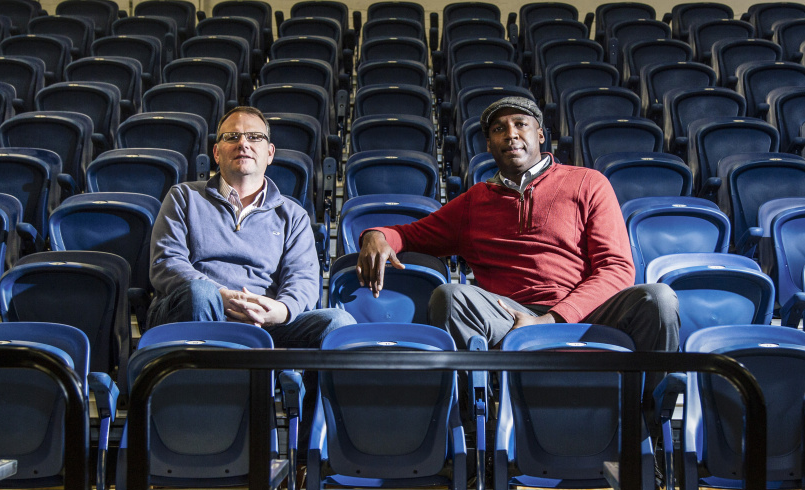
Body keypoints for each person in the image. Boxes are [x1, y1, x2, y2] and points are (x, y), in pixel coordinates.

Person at [356, 96, 679, 356]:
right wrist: (376, 235)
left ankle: (648, 408)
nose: (510, 134)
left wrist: (550, 319)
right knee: (451, 294)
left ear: (539, 135)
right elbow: (410, 234)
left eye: (520, 124)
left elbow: (616, 268)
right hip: (508, 315)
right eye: (498, 129)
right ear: (488, 145)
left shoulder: (587, 182)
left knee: (658, 298)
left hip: (586, 310)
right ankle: (476, 407)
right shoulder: (474, 201)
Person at [148, 106, 353, 346]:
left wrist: (279, 310)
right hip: (195, 313)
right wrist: (221, 296)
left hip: (263, 323)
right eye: (232, 137)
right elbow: (167, 262)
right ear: (216, 152)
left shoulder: (293, 215)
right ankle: (204, 382)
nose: (243, 143)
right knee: (200, 294)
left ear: (269, 153)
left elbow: (303, 278)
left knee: (339, 322)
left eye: (254, 137)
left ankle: (303, 385)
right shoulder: (184, 197)